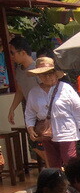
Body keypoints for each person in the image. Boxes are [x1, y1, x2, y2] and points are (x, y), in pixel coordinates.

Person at [24, 57, 80, 168]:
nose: (47, 77)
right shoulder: (34, 92)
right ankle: (59, 185)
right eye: (43, 74)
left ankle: (75, 184)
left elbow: (78, 109)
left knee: (69, 160)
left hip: (66, 130)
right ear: (38, 76)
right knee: (52, 162)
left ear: (56, 74)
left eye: (50, 73)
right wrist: (30, 128)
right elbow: (30, 113)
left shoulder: (66, 88)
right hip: (47, 133)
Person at [6, 37, 48, 169]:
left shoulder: (37, 69)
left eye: (13, 53)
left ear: (22, 52)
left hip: (44, 114)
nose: (11, 56)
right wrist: (12, 108)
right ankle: (54, 168)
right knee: (35, 144)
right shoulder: (19, 70)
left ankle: (55, 169)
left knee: (44, 144)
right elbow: (20, 91)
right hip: (30, 114)